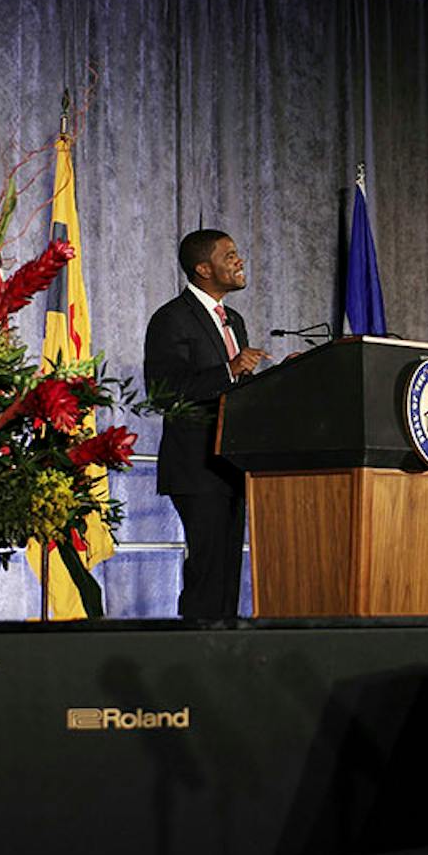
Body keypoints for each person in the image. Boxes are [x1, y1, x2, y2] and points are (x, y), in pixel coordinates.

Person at [144, 228, 269, 618]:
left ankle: (225, 653)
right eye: (228, 255)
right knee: (207, 568)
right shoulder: (172, 319)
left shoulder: (234, 319)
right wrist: (229, 370)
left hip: (232, 463)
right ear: (202, 268)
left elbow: (237, 390)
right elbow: (164, 392)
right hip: (197, 466)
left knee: (228, 570)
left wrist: (283, 376)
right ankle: (196, 650)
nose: (239, 260)